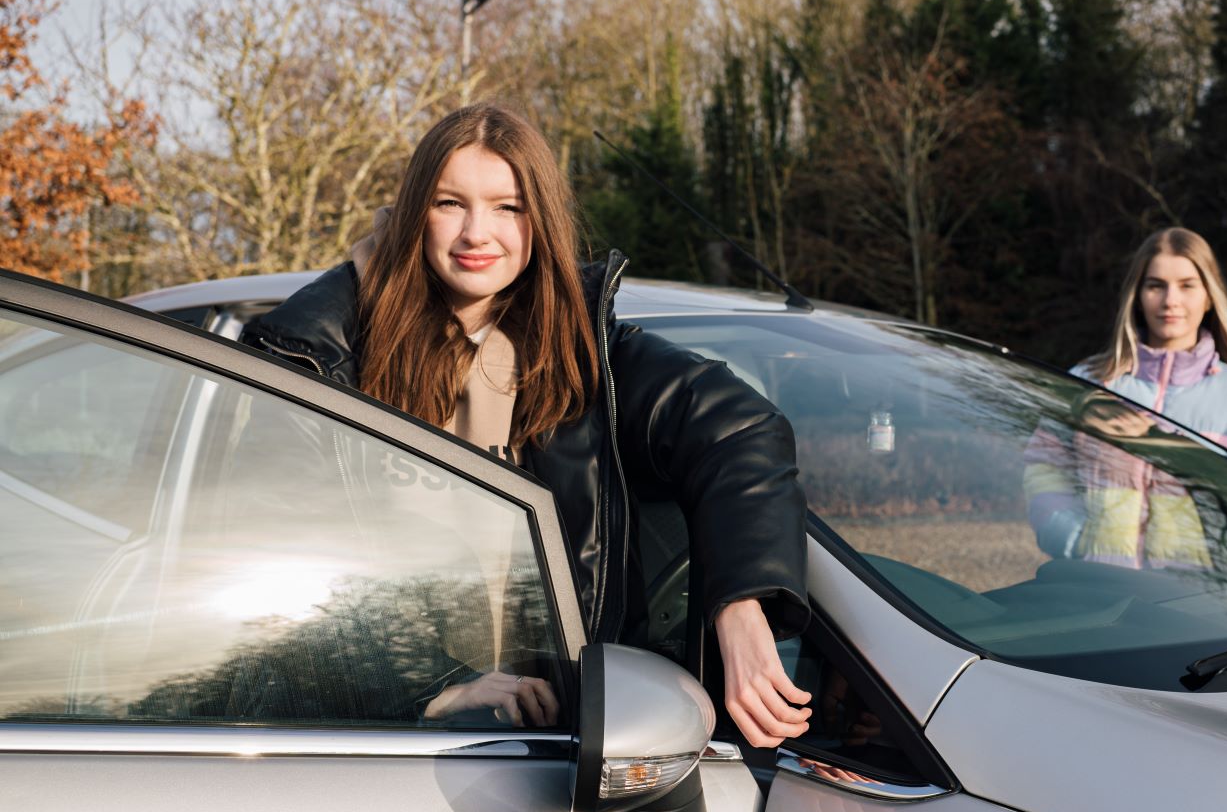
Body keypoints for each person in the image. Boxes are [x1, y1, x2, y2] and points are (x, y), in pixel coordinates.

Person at [241, 103, 812, 747]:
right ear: (412, 214)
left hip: (559, 744)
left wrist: (738, 606)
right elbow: (279, 567)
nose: (476, 234)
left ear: (539, 219)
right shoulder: (314, 353)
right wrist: (434, 686)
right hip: (379, 740)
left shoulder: (587, 354)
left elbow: (742, 432)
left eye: (507, 207)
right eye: (449, 203)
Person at [1023, 227, 1227, 567]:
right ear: (1138, 294)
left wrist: (1223, 562)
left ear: (1209, 296)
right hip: (1098, 588)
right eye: (1156, 285)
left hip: (1202, 601)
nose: (1171, 300)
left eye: (1187, 285)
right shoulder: (1086, 383)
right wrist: (1075, 540)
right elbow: (1044, 468)